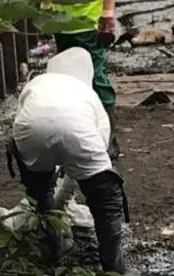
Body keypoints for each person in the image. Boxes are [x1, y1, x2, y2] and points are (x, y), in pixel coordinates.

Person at [6, 46, 132, 276]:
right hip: (80, 132)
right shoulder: (90, 99)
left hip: (28, 129)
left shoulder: (38, 84)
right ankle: (114, 273)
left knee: (40, 193)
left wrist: (56, 198)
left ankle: (53, 249)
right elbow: (86, 171)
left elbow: (30, 121)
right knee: (106, 203)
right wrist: (69, 194)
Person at [49, 0, 121, 163]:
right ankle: (74, 136)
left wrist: (107, 13)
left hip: (88, 25)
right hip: (61, 24)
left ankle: (108, 140)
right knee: (69, 80)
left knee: (95, 79)